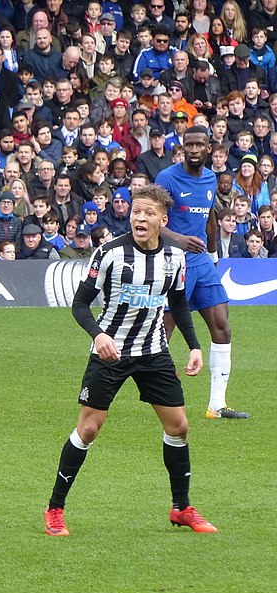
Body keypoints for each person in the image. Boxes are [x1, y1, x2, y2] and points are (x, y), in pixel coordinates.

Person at [44, 184, 215, 537]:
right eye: (137, 211)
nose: (140, 217)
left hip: (153, 352)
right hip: (112, 352)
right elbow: (80, 304)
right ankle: (55, 509)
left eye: (148, 213)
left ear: (162, 220)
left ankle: (181, 508)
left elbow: (179, 304)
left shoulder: (175, 258)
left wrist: (195, 345)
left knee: (179, 426)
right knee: (89, 429)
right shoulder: (108, 253)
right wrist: (99, 335)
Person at [155, 126, 250, 419]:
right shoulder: (167, 178)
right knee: (163, 331)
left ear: (209, 148)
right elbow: (150, 219)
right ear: (183, 147)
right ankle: (160, 393)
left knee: (221, 323)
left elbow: (210, 218)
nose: (194, 150)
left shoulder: (211, 179)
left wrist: (213, 255)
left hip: (202, 263)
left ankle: (216, 405)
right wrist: (181, 240)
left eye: (199, 145)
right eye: (189, 145)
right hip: (172, 260)